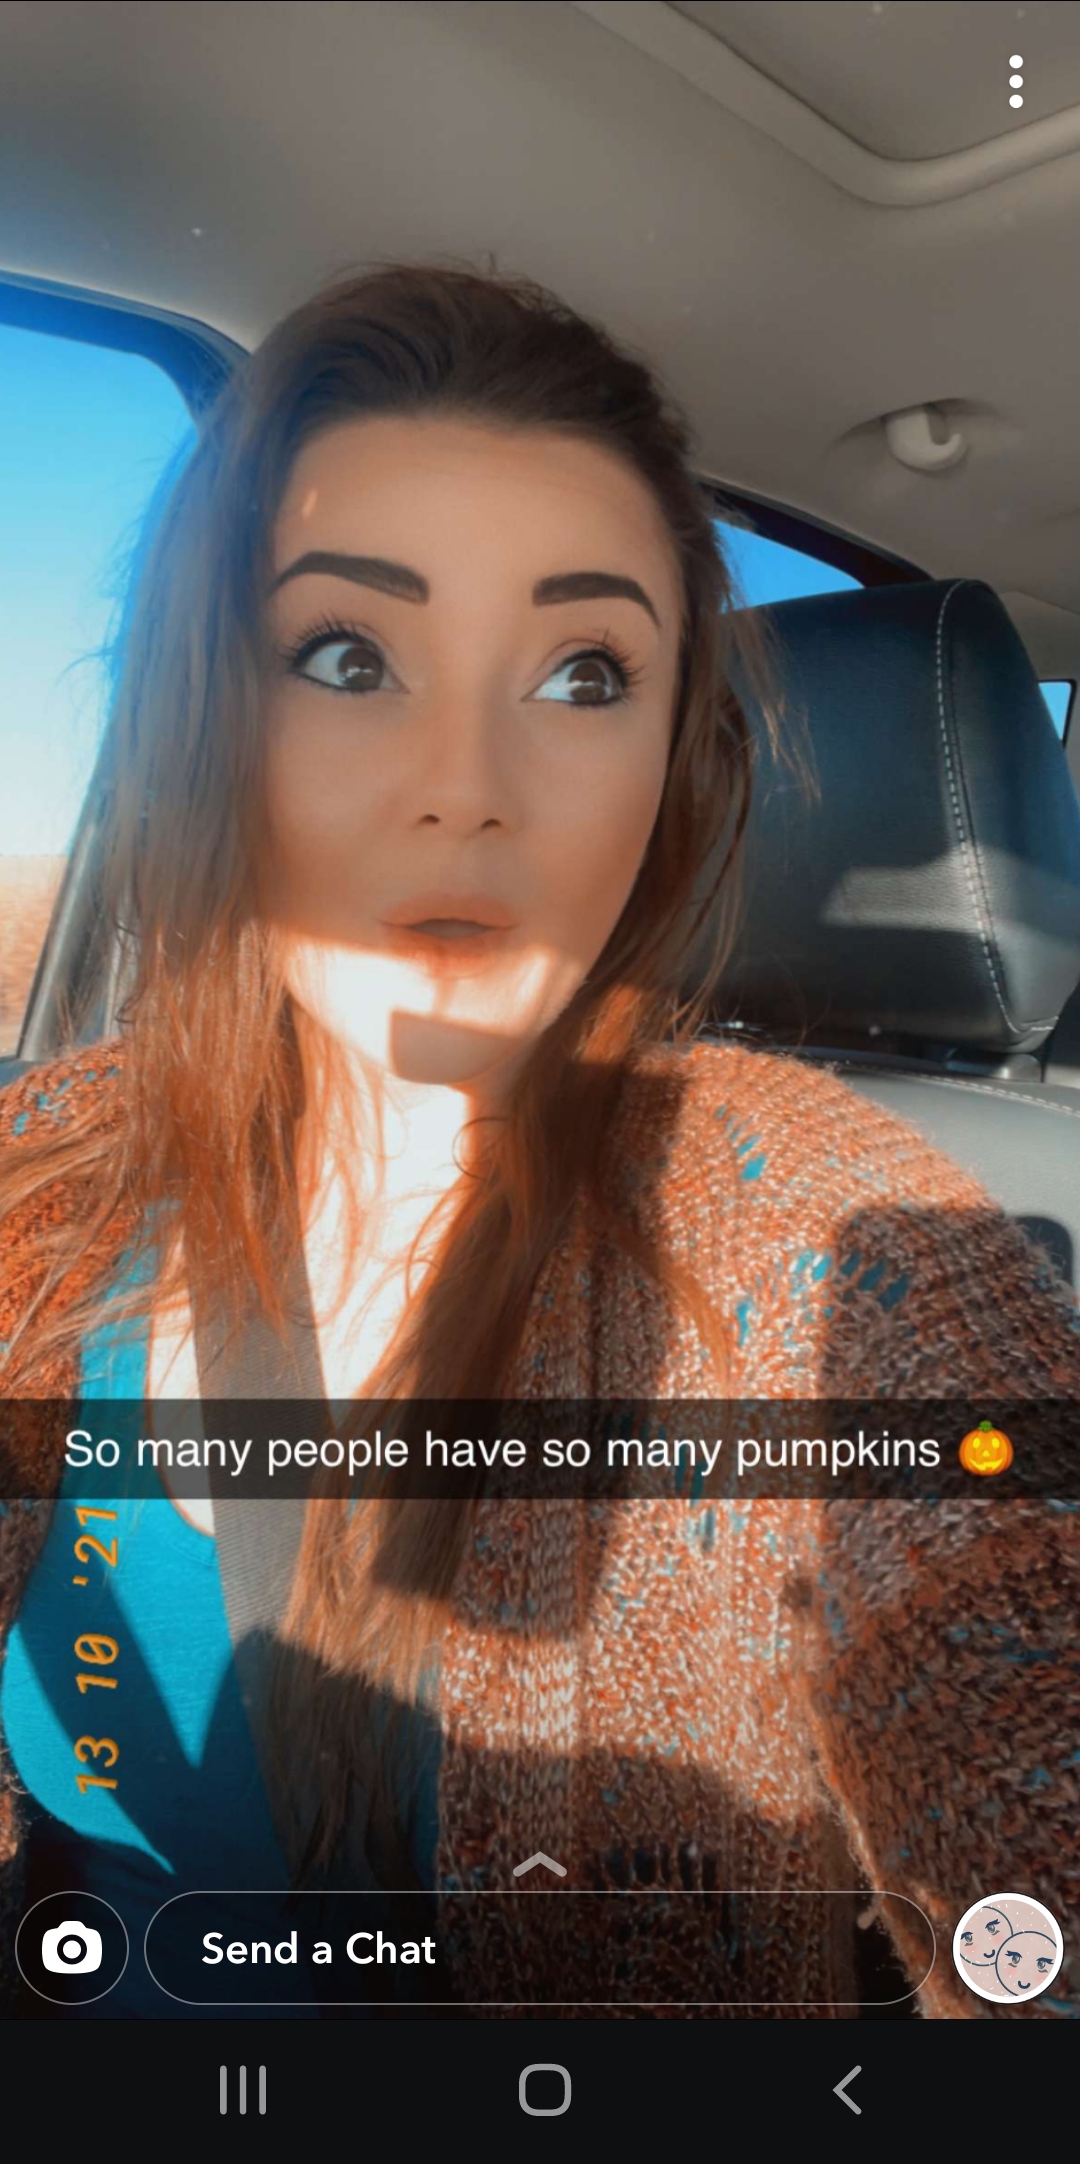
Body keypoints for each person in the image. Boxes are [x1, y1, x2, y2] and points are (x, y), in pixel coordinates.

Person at [2, 259, 1078, 2022]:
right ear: (203, 717)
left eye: (585, 674)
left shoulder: (841, 1244)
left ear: (678, 764)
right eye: (347, 656)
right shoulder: (40, 1171)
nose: (466, 787)